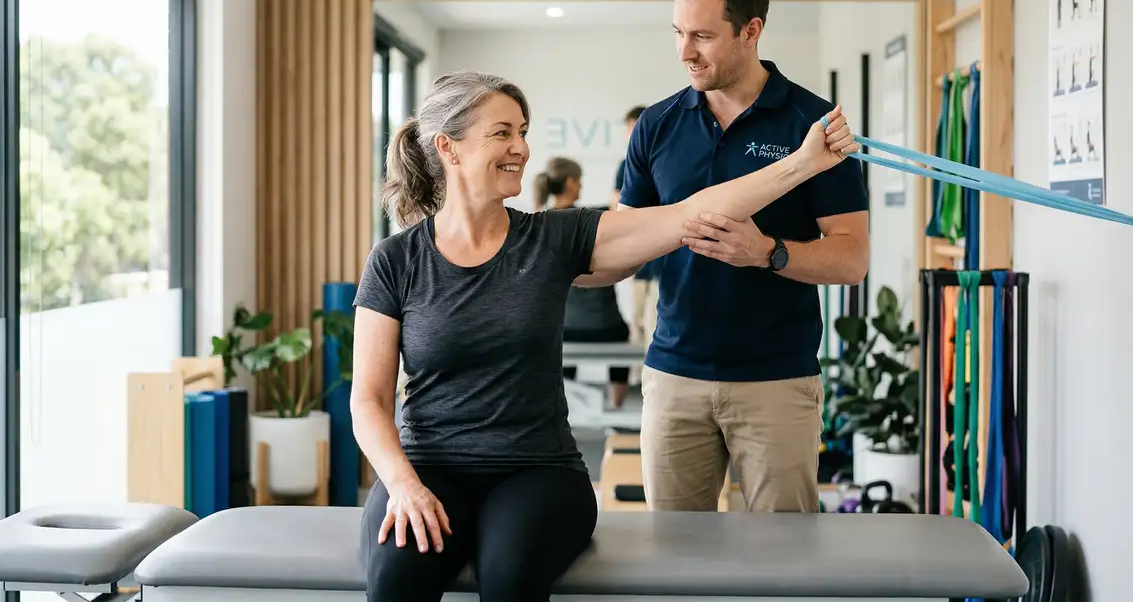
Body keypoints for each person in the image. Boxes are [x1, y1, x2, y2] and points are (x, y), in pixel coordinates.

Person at [350, 69, 858, 601]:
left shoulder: (553, 238)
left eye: (523, 131)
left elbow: (690, 213)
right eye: (502, 133)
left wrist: (803, 164)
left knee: (510, 578)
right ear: (448, 149)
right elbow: (369, 399)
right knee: (396, 581)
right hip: (428, 466)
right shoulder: (396, 260)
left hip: (537, 471)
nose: (521, 148)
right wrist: (404, 485)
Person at [579, 0, 871, 515]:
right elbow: (624, 245)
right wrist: (543, 269)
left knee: (783, 562)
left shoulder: (813, 128)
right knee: (674, 557)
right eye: (679, 33)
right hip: (673, 375)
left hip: (777, 380)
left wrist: (769, 253)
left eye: (704, 36)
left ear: (751, 30)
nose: (685, 52)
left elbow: (852, 259)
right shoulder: (658, 126)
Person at [534, 156, 632, 409]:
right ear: (569, 182)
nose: (581, 186)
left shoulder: (536, 223)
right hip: (607, 328)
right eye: (579, 181)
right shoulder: (597, 218)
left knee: (558, 347)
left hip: (564, 329)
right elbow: (624, 205)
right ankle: (617, 413)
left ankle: (566, 413)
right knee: (623, 334)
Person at [612, 106, 662, 348]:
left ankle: (647, 370)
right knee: (636, 319)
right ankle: (635, 376)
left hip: (663, 253)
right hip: (636, 251)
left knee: (655, 318)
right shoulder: (625, 166)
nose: (630, 134)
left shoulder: (666, 159)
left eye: (632, 128)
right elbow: (616, 206)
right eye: (628, 129)